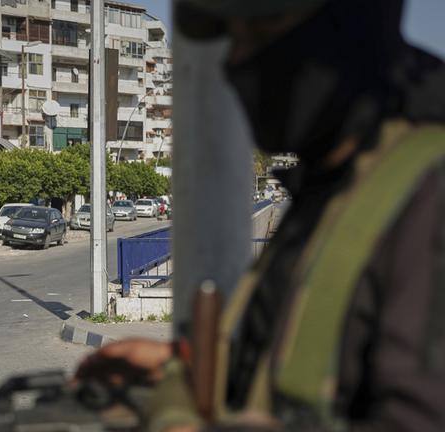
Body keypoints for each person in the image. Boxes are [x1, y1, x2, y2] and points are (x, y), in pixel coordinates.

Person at [76, 1, 445, 431]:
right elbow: (311, 371)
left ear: (349, 27)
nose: (237, 61)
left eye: (262, 34)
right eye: (234, 39)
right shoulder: (333, 184)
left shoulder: (427, 192)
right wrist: (188, 371)